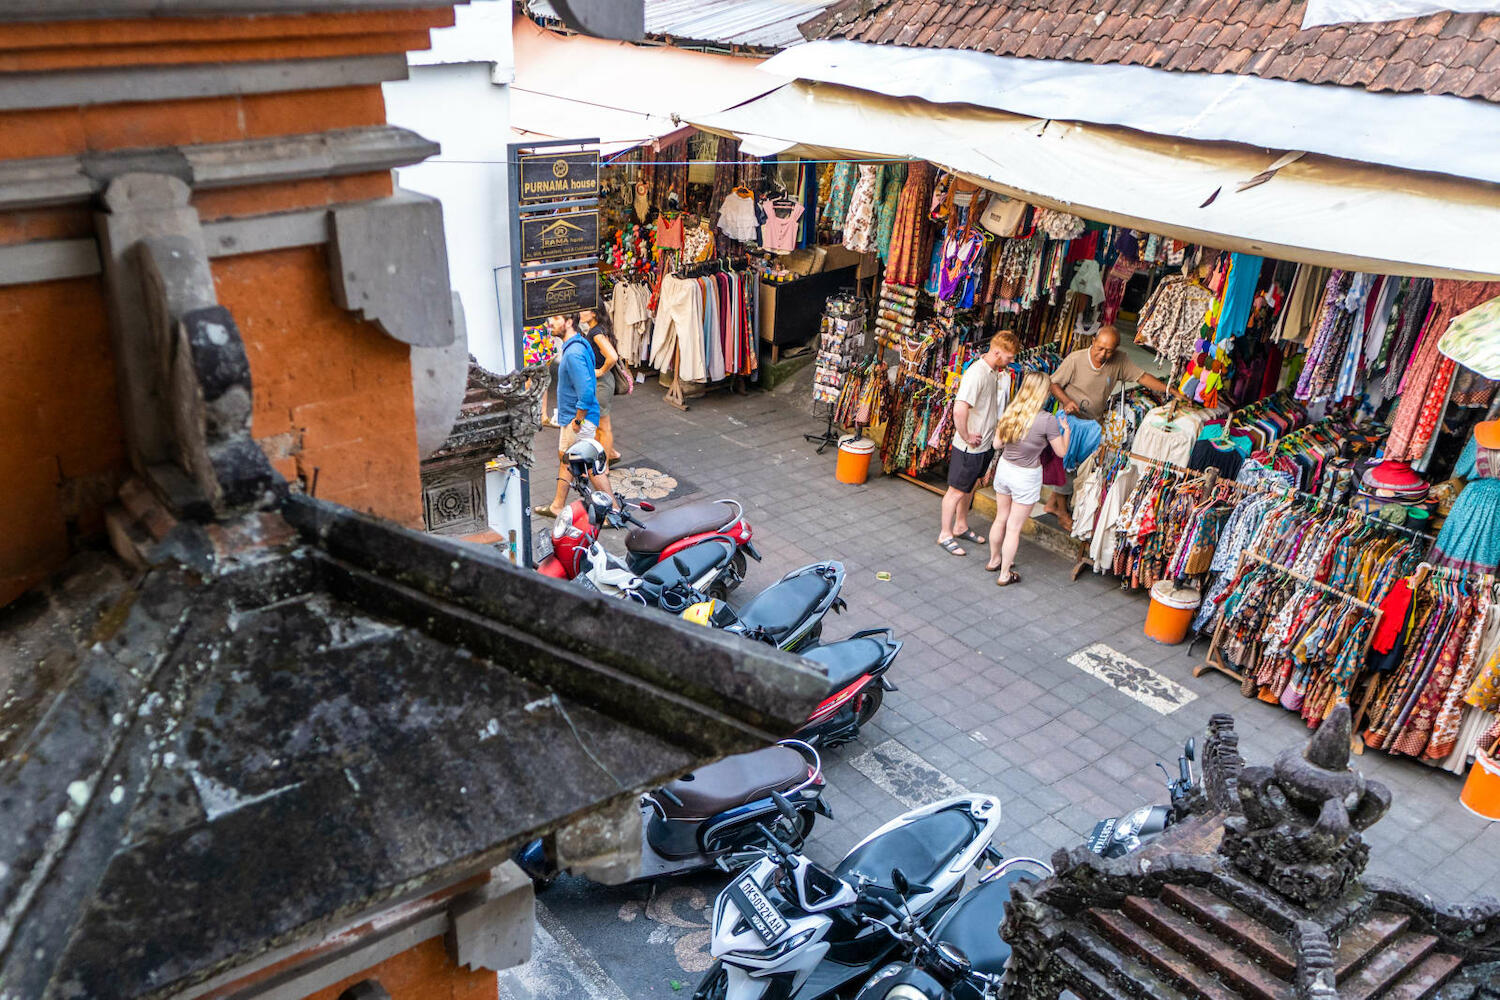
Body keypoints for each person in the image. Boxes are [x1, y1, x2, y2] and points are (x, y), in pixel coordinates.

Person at [1045, 325, 1167, 530]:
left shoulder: (1119, 360)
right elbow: (1053, 383)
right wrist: (1066, 401)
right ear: (1093, 341)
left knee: (1078, 465)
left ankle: (1052, 504)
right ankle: (1061, 510)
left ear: (1116, 349)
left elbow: (1142, 377)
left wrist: (1169, 389)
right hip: (1069, 421)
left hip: (1092, 424)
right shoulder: (1076, 359)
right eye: (1100, 348)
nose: (1103, 354)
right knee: (1066, 465)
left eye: (1109, 350)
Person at [938, 331, 1019, 556]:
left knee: (969, 487)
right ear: (996, 352)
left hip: (982, 445)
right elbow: (960, 407)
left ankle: (960, 525)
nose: (1011, 361)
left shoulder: (994, 372)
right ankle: (945, 533)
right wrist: (965, 435)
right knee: (955, 491)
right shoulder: (977, 374)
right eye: (1008, 357)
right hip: (969, 446)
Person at [987, 373, 1070, 587]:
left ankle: (994, 560)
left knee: (1000, 518)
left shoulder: (1012, 411)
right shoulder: (1047, 420)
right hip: (1026, 476)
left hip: (1005, 469)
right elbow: (1061, 452)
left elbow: (996, 444)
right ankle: (1005, 573)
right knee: (1014, 528)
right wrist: (1067, 431)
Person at [533, 313, 613, 518]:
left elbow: (586, 392)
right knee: (568, 459)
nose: (550, 322)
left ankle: (613, 509)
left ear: (569, 323)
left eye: (557, 318)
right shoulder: (577, 345)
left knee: (588, 463)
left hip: (577, 419)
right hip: (573, 417)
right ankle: (557, 506)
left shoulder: (573, 353)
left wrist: (577, 420)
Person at [580, 307, 623, 462]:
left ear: (593, 313)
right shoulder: (598, 329)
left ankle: (604, 466)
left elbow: (612, 356)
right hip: (601, 383)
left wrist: (600, 371)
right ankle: (610, 454)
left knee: (603, 426)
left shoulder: (596, 333)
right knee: (598, 424)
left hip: (601, 384)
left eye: (583, 310)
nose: (580, 312)